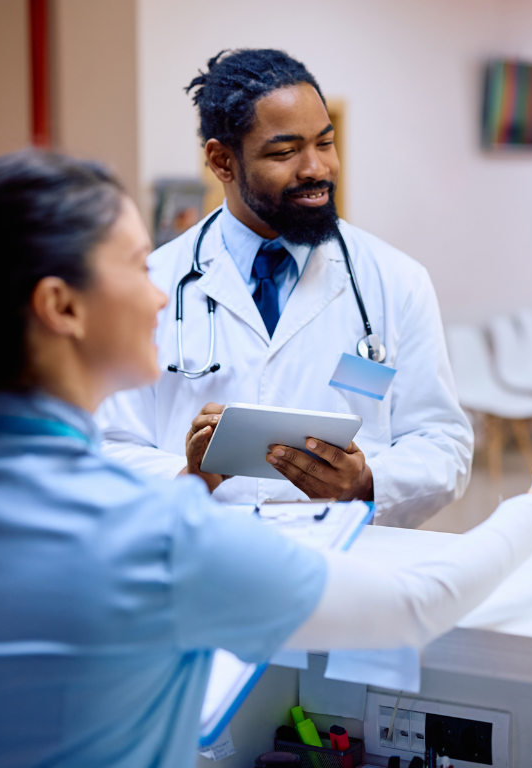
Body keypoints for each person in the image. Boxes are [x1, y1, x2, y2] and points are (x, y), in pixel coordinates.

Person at [0, 151, 532, 767]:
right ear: (61, 307)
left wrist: (217, 482)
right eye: (138, 265)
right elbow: (410, 608)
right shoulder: (148, 528)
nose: (161, 290)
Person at [95, 49, 471, 528]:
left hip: (347, 564)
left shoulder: (395, 280)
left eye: (326, 143)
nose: (317, 169)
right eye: (284, 151)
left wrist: (366, 482)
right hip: (203, 555)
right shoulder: (153, 283)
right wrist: (186, 477)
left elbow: (443, 443)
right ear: (222, 161)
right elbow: (109, 445)